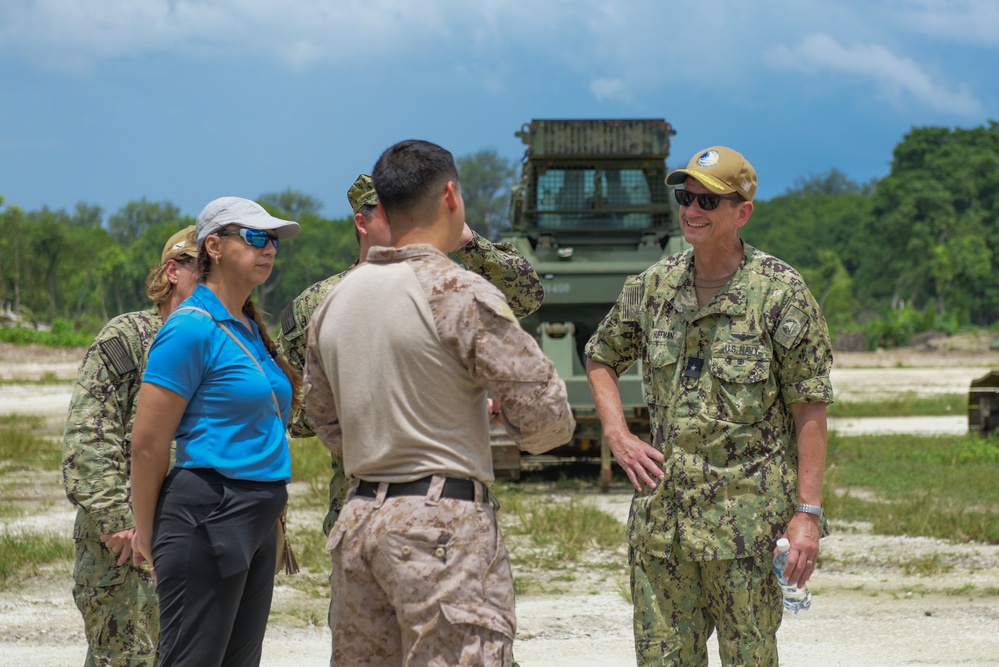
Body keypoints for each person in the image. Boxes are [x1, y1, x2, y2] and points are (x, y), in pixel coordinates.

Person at [304, 139, 575, 666]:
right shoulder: (459, 290)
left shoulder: (334, 300)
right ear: (451, 195)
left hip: (358, 521)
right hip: (441, 527)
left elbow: (325, 420)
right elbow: (547, 422)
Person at [584, 146, 833, 666]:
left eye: (708, 201)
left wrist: (806, 515)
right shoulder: (653, 287)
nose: (692, 210)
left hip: (748, 528)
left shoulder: (779, 294)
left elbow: (809, 409)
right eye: (685, 197)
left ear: (741, 212)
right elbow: (600, 356)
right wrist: (617, 433)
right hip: (664, 527)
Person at [278, 173, 545, 536]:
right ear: (363, 222)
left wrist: (466, 241)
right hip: (364, 507)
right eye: (394, 212)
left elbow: (527, 297)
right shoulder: (320, 304)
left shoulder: (450, 289)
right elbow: (294, 410)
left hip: (454, 507)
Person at [129, 197, 301, 666]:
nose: (269, 249)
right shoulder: (190, 328)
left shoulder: (247, 326)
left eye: (274, 242)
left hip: (258, 513)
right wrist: (145, 532)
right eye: (256, 237)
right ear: (214, 246)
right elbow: (147, 444)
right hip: (209, 510)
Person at [62, 225, 199, 667]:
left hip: (188, 536)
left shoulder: (211, 340)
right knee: (126, 660)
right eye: (205, 267)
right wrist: (121, 522)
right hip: (126, 546)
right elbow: (88, 435)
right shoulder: (128, 337)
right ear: (173, 271)